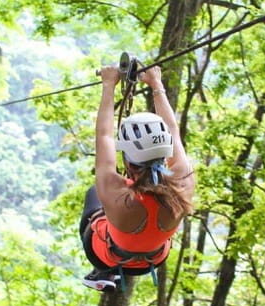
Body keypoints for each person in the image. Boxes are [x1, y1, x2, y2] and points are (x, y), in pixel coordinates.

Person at [78, 65, 195, 291]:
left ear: (128, 161)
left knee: (94, 195)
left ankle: (104, 272)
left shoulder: (114, 191)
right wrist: (156, 84)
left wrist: (108, 84)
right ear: (166, 150)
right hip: (154, 260)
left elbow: (104, 135)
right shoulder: (183, 183)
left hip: (105, 256)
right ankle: (110, 268)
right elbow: (173, 129)